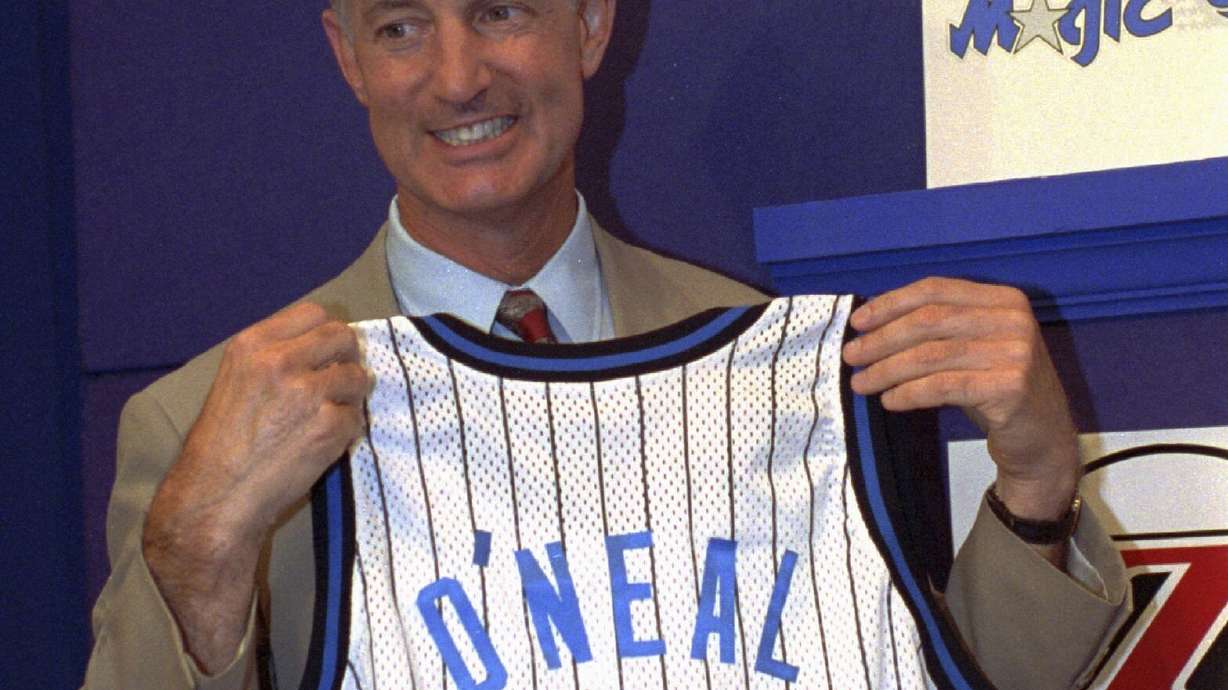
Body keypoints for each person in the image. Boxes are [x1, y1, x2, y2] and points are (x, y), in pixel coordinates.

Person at [82, 1, 1128, 689]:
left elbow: (957, 675)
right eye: (401, 25)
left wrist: (1038, 478)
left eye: (499, 11)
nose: (456, 78)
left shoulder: (760, 369)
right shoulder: (205, 419)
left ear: (588, 26)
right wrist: (197, 546)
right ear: (346, 54)